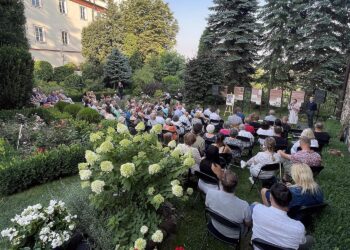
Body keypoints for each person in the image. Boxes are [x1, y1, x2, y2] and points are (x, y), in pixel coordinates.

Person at [252, 183, 313, 250]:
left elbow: (254, 206)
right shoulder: (298, 227)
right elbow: (302, 242)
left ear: (270, 198)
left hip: (259, 248)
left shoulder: (257, 209)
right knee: (310, 239)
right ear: (289, 201)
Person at [205, 171, 252, 239]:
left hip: (215, 225)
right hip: (234, 235)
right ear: (236, 186)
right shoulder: (244, 206)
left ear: (221, 183)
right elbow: (248, 224)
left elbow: (207, 206)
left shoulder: (210, 193)